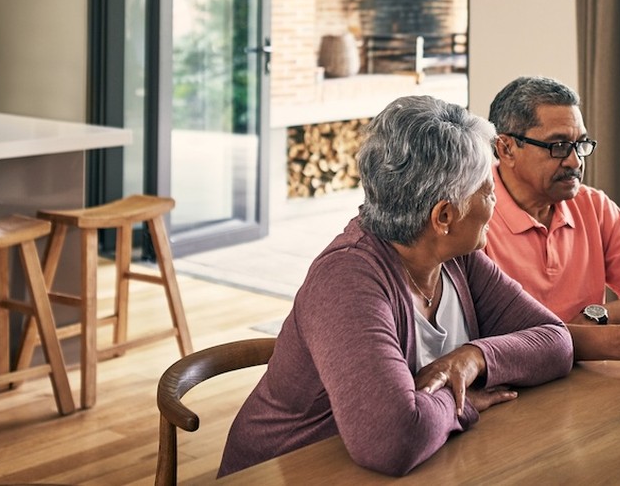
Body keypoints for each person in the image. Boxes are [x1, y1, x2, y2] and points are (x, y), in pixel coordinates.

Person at [219, 96, 573, 477]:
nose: (495, 201)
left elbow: (555, 341)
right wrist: (462, 403)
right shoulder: (345, 281)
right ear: (444, 216)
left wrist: (472, 359)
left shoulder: (457, 259)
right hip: (282, 473)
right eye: (487, 191)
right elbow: (393, 440)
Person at [483, 76, 620, 373]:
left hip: (591, 383)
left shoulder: (591, 205)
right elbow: (497, 341)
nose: (575, 162)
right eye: (558, 146)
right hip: (516, 395)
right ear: (505, 149)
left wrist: (597, 316)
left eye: (580, 145)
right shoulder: (473, 217)